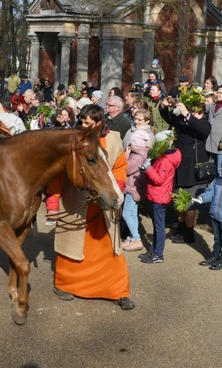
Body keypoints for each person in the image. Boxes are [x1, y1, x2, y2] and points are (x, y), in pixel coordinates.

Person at [45, 104, 134, 310]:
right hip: (75, 203)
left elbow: (120, 167)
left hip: (104, 205)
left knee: (111, 248)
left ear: (99, 123)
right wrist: (52, 202)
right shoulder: (73, 139)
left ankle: (119, 291)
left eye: (87, 123)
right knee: (72, 246)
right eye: (81, 121)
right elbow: (57, 172)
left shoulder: (113, 139)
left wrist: (116, 189)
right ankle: (65, 285)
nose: (82, 125)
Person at [158, 96, 211, 244]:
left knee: (189, 203)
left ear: (202, 114)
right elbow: (168, 118)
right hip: (180, 168)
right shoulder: (183, 123)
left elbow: (202, 130)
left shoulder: (205, 124)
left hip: (193, 170)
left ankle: (189, 232)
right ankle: (180, 228)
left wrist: (188, 114)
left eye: (197, 113)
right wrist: (164, 106)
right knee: (179, 201)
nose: (194, 115)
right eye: (192, 112)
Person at [139, 132, 181, 263]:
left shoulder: (165, 161)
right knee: (157, 224)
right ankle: (154, 249)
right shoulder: (168, 156)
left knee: (159, 226)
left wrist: (148, 169)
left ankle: (158, 254)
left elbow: (159, 179)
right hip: (158, 195)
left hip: (159, 196)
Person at [122, 119, 151, 252]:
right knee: (132, 213)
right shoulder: (142, 153)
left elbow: (126, 169)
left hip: (132, 188)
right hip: (135, 188)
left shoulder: (137, 156)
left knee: (127, 213)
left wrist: (126, 154)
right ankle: (132, 237)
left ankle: (136, 238)